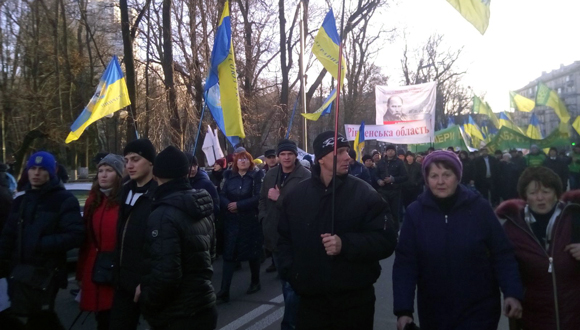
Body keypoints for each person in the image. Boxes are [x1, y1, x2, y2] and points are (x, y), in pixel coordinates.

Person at [277, 131, 397, 330]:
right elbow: (283, 239)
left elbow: (386, 240)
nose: (347, 156)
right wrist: (293, 274)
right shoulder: (297, 196)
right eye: (339, 152)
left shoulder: (366, 194)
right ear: (321, 158)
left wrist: (346, 244)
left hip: (354, 301)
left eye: (347, 151)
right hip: (310, 302)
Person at [393, 150, 523, 330]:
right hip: (434, 311)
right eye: (434, 176)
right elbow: (405, 263)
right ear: (426, 179)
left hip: (480, 310)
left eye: (447, 175)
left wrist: (512, 293)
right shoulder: (415, 213)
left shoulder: (479, 208)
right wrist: (403, 310)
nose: (440, 182)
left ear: (458, 177)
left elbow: (502, 254)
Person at [136, 146, 217, 330]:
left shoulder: (163, 214)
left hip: (178, 314)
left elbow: (166, 276)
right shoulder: (200, 204)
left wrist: (147, 302)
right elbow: (210, 255)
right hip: (204, 304)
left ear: (156, 174)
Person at [0, 151, 84, 318]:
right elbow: (8, 237)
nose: (36, 173)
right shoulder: (20, 201)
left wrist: (41, 243)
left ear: (51, 172)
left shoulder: (64, 200)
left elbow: (76, 235)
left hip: (45, 275)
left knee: (41, 320)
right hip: (18, 273)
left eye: (42, 169)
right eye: (33, 168)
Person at [496, 166, 580, 330]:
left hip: (574, 311)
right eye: (533, 193)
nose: (540, 198)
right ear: (525, 196)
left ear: (556, 193)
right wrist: (511, 295)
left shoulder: (575, 217)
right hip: (533, 314)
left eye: (546, 192)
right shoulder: (513, 227)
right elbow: (505, 266)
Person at [259, 139, 310, 330]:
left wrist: (279, 199)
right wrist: (263, 219)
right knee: (285, 283)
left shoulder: (305, 176)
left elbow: (305, 208)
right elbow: (262, 200)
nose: (286, 157)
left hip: (295, 238)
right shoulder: (271, 175)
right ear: (278, 157)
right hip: (274, 237)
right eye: (283, 154)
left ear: (296, 155)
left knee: (291, 285)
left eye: (290, 154)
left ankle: (290, 324)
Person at [110, 139, 157, 330]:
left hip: (147, 284)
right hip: (123, 282)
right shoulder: (124, 191)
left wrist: (147, 281)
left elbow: (161, 245)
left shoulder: (159, 195)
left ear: (151, 162)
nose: (129, 165)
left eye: (135, 159)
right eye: (126, 160)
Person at [76, 154, 125, 330]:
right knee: (101, 320)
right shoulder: (92, 201)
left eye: (109, 170)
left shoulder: (126, 201)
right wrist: (81, 272)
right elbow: (87, 241)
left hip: (118, 272)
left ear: (119, 175)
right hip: (95, 268)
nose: (103, 175)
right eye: (100, 170)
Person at [217, 150, 264, 303]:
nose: (243, 161)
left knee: (252, 253)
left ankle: (255, 282)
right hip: (231, 221)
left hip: (249, 220)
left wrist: (240, 205)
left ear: (250, 162)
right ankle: (224, 290)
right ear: (235, 163)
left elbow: (258, 196)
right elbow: (222, 194)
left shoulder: (256, 176)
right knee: (229, 255)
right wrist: (229, 206)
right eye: (240, 159)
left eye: (245, 159)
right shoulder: (229, 177)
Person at [376, 144, 408, 230]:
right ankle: (384, 230)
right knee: (384, 212)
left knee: (394, 213)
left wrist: (393, 179)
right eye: (388, 150)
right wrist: (379, 180)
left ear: (395, 151)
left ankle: (395, 231)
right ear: (385, 152)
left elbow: (405, 176)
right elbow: (376, 175)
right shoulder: (381, 162)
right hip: (383, 191)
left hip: (395, 191)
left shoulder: (399, 162)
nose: (390, 152)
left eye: (392, 150)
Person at [188, 154, 220, 220]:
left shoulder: (207, 184)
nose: (193, 169)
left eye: (195, 165)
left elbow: (216, 206)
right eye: (190, 166)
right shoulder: (179, 184)